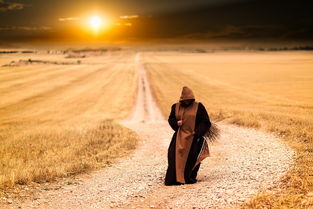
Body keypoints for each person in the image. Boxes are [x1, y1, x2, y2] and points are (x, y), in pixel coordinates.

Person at [164, 86, 211, 185]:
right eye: (185, 100)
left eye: (188, 100)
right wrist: (176, 123)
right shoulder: (175, 107)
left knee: (192, 157)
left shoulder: (199, 106)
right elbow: (171, 119)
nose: (186, 102)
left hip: (194, 137)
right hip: (179, 137)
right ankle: (174, 179)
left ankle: (188, 178)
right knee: (173, 156)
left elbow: (206, 122)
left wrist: (197, 133)